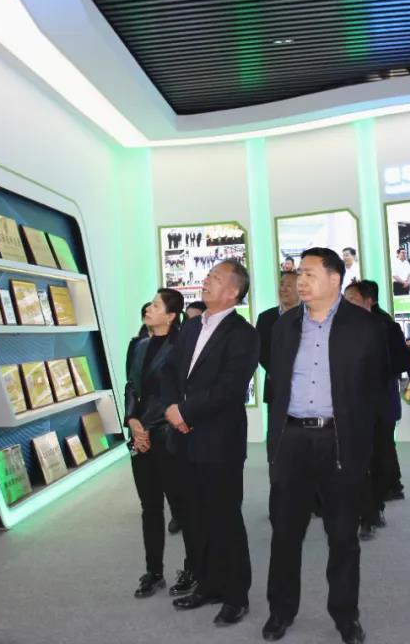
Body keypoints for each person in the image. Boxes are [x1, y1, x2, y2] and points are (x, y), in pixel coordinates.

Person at [263, 248, 388, 644]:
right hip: (292, 439)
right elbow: (276, 382)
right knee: (285, 533)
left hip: (339, 440)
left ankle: (346, 615)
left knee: (342, 536)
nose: (300, 281)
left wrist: (360, 442)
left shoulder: (363, 326)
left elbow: (375, 387)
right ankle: (281, 611)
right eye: (299, 273)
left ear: (335, 279)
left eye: (310, 274)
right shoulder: (284, 326)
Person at [163, 261, 259, 626]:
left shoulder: (243, 334)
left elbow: (230, 388)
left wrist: (185, 412)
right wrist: (172, 408)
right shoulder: (190, 326)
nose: (206, 281)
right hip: (183, 439)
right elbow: (170, 371)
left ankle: (236, 596)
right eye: (208, 277)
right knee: (195, 517)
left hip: (219, 441)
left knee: (224, 518)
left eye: (215, 278)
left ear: (232, 292)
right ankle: (208, 584)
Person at [125, 289, 191, 599]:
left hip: (168, 434)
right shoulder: (138, 346)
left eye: (155, 305)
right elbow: (131, 387)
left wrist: (148, 428)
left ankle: (193, 568)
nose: (148, 309)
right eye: (149, 304)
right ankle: (154, 572)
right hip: (140, 433)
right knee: (149, 507)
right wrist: (132, 421)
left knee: (181, 505)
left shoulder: (182, 347)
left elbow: (175, 395)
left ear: (171, 315)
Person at [344, 280, 409, 540]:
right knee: (354, 460)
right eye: (345, 299)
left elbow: (403, 360)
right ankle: (364, 513)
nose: (346, 304)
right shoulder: (338, 327)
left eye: (352, 299)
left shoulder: (385, 326)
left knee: (381, 457)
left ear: (368, 300)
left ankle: (376, 504)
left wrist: (377, 370)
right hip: (349, 404)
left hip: (379, 401)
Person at [256, 272, 300, 443]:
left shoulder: (310, 316)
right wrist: (279, 371)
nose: (284, 288)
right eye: (282, 284)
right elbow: (261, 350)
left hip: (305, 386)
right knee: (277, 436)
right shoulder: (266, 317)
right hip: (275, 385)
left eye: (289, 285)